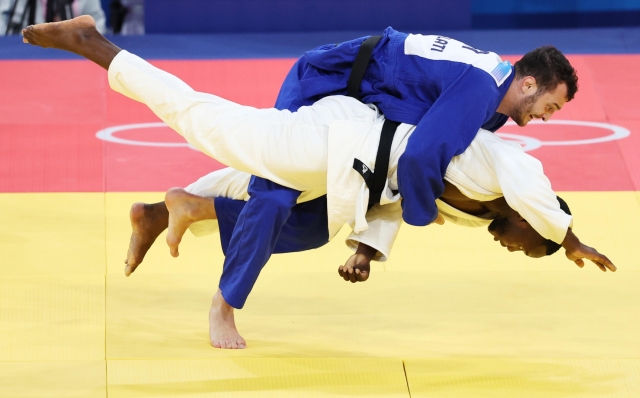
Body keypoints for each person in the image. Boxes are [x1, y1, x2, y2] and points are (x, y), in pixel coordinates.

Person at [21, 16, 605, 351]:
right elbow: (425, 159)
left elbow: (410, 170)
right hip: (333, 87)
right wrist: (568, 237)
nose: (541, 122)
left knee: (297, 217)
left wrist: (369, 244)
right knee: (258, 176)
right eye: (548, 106)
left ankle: (171, 210)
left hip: (355, 132)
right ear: (528, 82)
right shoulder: (483, 91)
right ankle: (94, 45)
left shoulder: (492, 102)